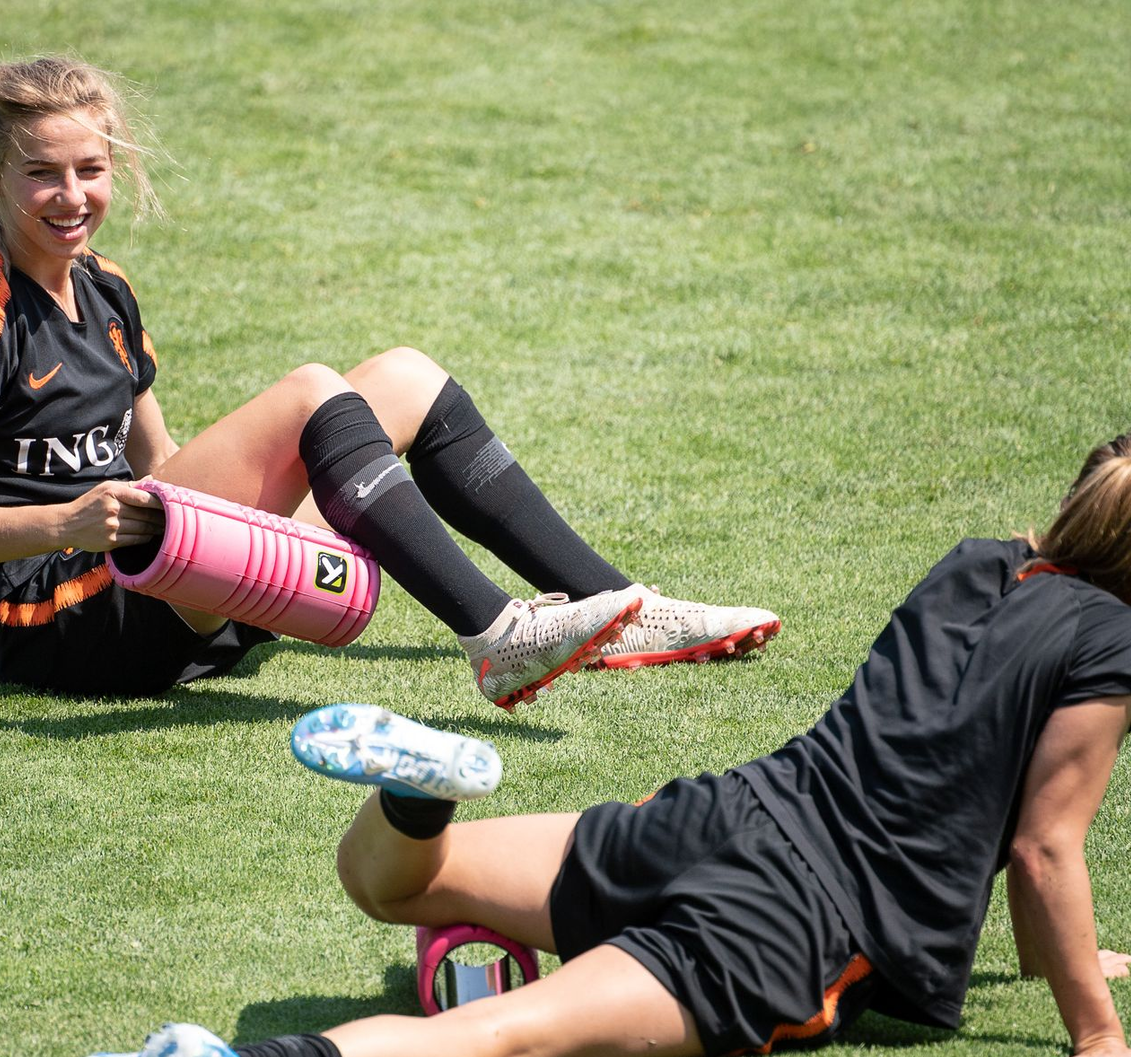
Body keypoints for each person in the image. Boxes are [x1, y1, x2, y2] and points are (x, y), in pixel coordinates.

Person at [52, 427, 1131, 1057]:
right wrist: (1096, 1029)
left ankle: (418, 795)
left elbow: (980, 772)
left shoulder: (982, 564)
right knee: (497, 1039)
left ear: (1080, 500)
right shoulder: (1120, 646)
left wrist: (1054, 951)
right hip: (791, 927)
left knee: (395, 883)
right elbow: (1043, 840)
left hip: (727, 811)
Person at [0, 57, 779, 708]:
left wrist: (243, 515)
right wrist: (66, 522)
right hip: (62, 616)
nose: (72, 195)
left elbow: (161, 464)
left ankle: (618, 607)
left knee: (405, 378)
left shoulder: (106, 288)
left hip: (157, 581)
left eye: (90, 169)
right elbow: (104, 512)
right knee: (311, 392)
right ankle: (498, 635)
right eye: (41, 174)